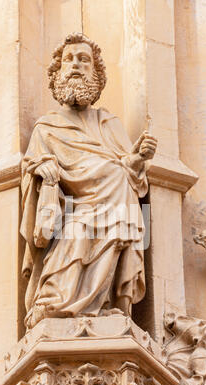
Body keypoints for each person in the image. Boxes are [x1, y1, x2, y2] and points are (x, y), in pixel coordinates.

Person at [20, 33, 157, 329]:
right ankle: (55, 301)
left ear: (96, 74)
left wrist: (138, 158)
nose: (76, 66)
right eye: (69, 60)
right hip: (72, 209)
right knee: (77, 232)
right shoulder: (46, 128)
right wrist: (43, 170)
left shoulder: (109, 123)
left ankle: (115, 302)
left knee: (128, 202)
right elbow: (31, 173)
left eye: (84, 60)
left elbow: (131, 173)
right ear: (57, 73)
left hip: (118, 210)